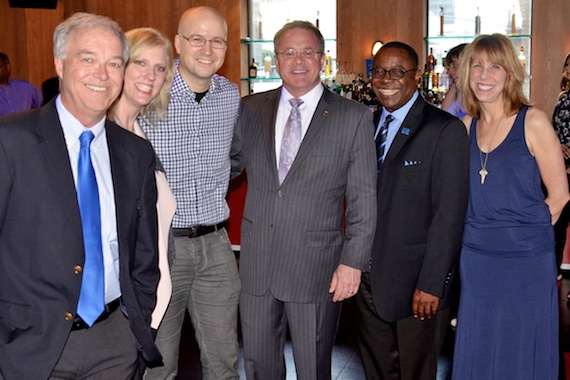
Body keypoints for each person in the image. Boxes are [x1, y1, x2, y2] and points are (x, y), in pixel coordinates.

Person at [0, 12, 162, 380]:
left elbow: (144, 254)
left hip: (114, 344)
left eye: (114, 63)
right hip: (28, 347)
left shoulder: (135, 153)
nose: (102, 75)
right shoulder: (10, 141)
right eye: (88, 59)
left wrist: (134, 325)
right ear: (59, 63)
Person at [231, 20, 377, 380]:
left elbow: (363, 198)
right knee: (259, 366)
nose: (298, 60)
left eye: (308, 52)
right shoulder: (249, 109)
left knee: (313, 367)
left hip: (317, 269)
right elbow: (228, 167)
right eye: (289, 52)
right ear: (276, 59)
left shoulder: (353, 117)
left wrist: (353, 263)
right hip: (257, 265)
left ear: (322, 59)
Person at [451, 33, 569, 379]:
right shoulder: (465, 127)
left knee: (522, 345)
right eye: (477, 66)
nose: (484, 75)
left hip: (526, 260)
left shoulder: (533, 121)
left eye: (495, 67)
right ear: (466, 74)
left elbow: (560, 195)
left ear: (510, 74)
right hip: (476, 257)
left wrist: (522, 234)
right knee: (480, 341)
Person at [354, 41, 469, 380]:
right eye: (379, 71)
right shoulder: (365, 125)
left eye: (398, 71)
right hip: (366, 280)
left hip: (417, 286)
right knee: (376, 370)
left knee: (415, 373)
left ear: (416, 77)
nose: (387, 79)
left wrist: (432, 284)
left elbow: (449, 215)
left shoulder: (443, 130)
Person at [140, 6, 241, 380]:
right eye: (197, 38)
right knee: (159, 364)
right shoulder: (149, 95)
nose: (207, 48)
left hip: (216, 245)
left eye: (217, 40)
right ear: (179, 44)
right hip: (162, 247)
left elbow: (235, 159)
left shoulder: (230, 96)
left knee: (224, 361)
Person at [107, 27, 176, 330]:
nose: (150, 75)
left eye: (159, 68)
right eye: (140, 63)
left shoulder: (140, 134)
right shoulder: (102, 137)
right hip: (123, 306)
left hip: (150, 295)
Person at [441, 43, 468, 119]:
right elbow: (445, 111)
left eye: (455, 65)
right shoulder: (461, 96)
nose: (450, 72)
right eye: (449, 66)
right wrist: (455, 81)